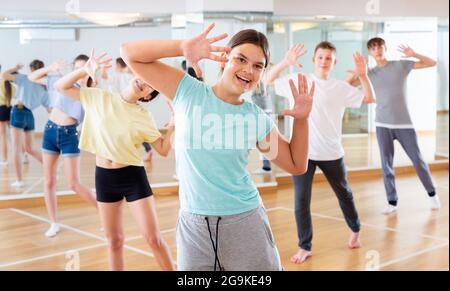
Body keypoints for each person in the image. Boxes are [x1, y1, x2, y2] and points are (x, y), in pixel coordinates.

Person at [122, 24, 314, 270]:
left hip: (245, 223)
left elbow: (296, 165)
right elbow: (130, 53)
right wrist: (181, 47)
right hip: (194, 226)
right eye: (241, 59)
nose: (248, 70)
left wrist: (301, 119)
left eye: (258, 66)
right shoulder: (188, 91)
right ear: (225, 59)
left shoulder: (254, 118)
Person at [55, 49, 175, 271]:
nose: (144, 83)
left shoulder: (143, 116)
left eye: (150, 86)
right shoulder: (99, 97)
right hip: (104, 177)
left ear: (147, 96)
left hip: (133, 177)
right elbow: (61, 86)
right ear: (133, 75)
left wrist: (175, 124)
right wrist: (84, 70)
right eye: (144, 78)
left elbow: (163, 150)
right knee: (114, 241)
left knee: (153, 239)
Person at [266, 42, 375, 264]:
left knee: (344, 193)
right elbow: (267, 80)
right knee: (301, 200)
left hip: (332, 152)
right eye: (320, 57)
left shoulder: (340, 87)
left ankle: (355, 230)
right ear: (314, 60)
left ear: (334, 62)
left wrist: (363, 76)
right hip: (302, 153)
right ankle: (304, 246)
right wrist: (286, 62)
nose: (324, 61)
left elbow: (368, 98)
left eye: (328, 58)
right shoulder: (299, 80)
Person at [355, 37, 440, 214]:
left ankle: (432, 195)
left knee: (418, 161)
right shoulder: (370, 73)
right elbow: (349, 84)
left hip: (404, 124)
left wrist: (414, 54)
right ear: (370, 52)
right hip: (381, 124)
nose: (377, 50)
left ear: (385, 48)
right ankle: (392, 202)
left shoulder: (400, 65)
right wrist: (358, 72)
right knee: (386, 165)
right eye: (373, 48)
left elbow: (432, 63)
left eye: (379, 47)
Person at [28, 55, 97, 237]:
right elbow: (32, 77)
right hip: (50, 130)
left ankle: (104, 211)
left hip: (69, 135)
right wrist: (50, 67)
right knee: (49, 181)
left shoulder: (89, 91)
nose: (79, 72)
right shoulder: (59, 82)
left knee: (73, 184)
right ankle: (54, 222)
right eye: (77, 68)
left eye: (84, 69)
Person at [1, 61, 50, 188]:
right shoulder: (44, 87)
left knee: (17, 149)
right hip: (30, 116)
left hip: (18, 112)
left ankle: (19, 180)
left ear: (31, 68)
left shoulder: (25, 78)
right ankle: (50, 167)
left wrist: (15, 67)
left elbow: (4, 75)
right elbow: (49, 109)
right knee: (30, 149)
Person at [0, 64, 16, 165]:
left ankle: (4, 160)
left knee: (2, 136)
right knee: (13, 135)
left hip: (0, 109)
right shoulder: (11, 85)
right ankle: (24, 155)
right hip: (10, 109)